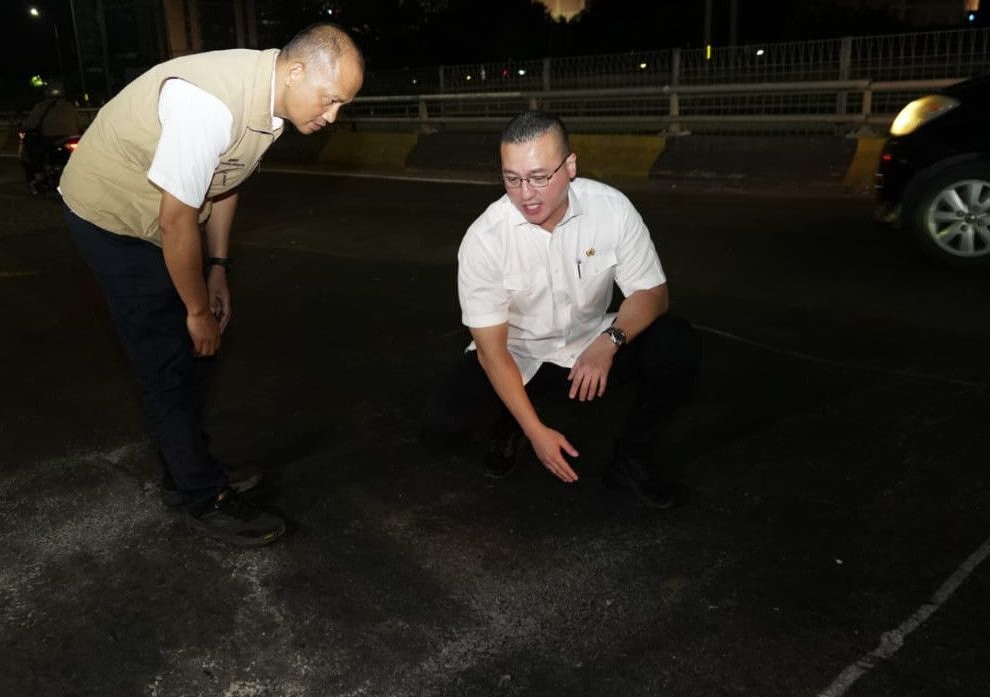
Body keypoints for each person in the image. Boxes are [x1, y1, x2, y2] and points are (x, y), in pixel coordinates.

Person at [59, 23, 364, 546]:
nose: (332, 116)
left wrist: (217, 268)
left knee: (204, 346)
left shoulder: (273, 101)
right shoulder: (211, 105)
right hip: (111, 217)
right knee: (166, 353)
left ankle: (189, 462)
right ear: (295, 72)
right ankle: (199, 496)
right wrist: (195, 309)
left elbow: (225, 183)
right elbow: (177, 220)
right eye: (330, 99)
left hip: (164, 221)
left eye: (342, 105)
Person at [422, 111, 700, 508]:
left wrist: (611, 341)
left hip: (589, 344)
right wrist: (535, 431)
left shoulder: (611, 208)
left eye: (539, 177)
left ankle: (631, 460)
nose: (526, 194)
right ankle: (511, 422)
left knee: (676, 343)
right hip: (519, 354)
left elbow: (653, 293)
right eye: (512, 178)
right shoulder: (485, 239)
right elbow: (491, 350)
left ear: (570, 166)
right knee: (441, 426)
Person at [18, 82, 80, 193]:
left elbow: (30, 124)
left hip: (51, 139)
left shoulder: (42, 106)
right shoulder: (69, 106)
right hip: (71, 137)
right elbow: (78, 122)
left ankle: (38, 174)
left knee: (30, 141)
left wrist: (23, 126)